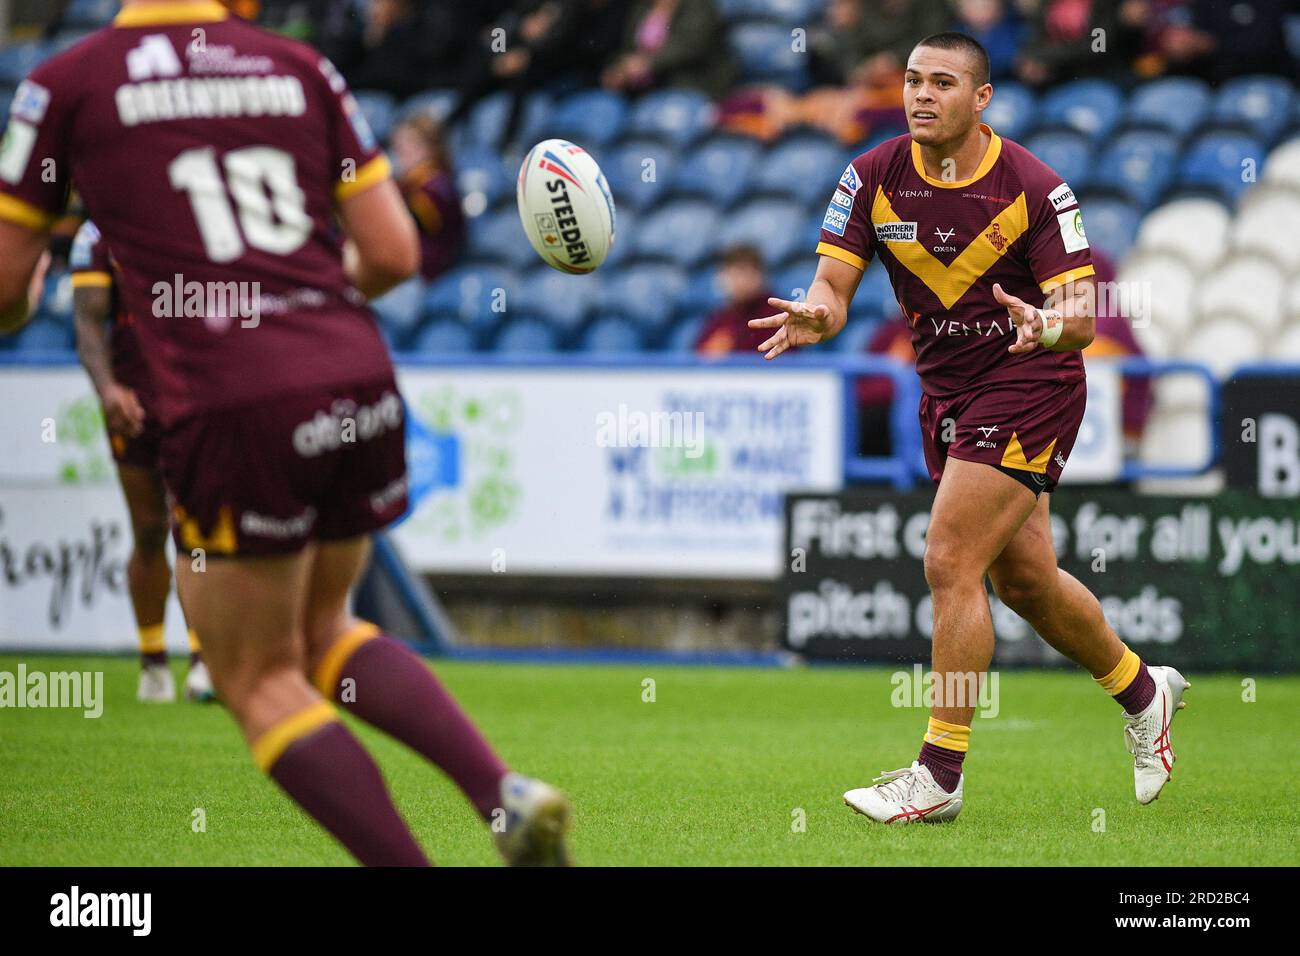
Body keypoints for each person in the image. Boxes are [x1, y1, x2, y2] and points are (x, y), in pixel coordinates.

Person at [0, 0, 570, 866]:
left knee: (255, 677)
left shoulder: (62, 85)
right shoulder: (301, 69)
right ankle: (501, 792)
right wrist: (293, 302)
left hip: (235, 401)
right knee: (323, 635)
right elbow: (392, 256)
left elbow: (7, 288)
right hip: (355, 374)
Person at [751, 32, 1189, 824]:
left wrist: (1049, 329)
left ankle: (939, 774)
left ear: (981, 98)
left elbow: (1083, 320)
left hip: (1032, 381)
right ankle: (1141, 689)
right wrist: (821, 312)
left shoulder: (1036, 187)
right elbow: (833, 283)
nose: (921, 94)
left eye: (942, 83)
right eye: (913, 79)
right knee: (1022, 582)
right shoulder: (872, 175)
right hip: (946, 395)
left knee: (949, 558)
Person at [71, 219, 215, 703]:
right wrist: (108, 389)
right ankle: (153, 661)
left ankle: (202, 660)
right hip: (131, 402)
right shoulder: (97, 235)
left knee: (191, 527)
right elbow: (89, 319)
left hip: (192, 398)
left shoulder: (196, 213)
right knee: (149, 528)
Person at [389, 115, 465, 282]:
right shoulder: (407, 184)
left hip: (427, 275)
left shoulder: (436, 189)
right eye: (398, 146)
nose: (401, 153)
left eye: (410, 145)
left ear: (431, 148)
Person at [693, 245, 775, 355]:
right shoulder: (721, 317)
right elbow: (699, 357)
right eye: (735, 275)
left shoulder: (776, 315)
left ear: (761, 277)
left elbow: (787, 364)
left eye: (748, 274)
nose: (741, 282)